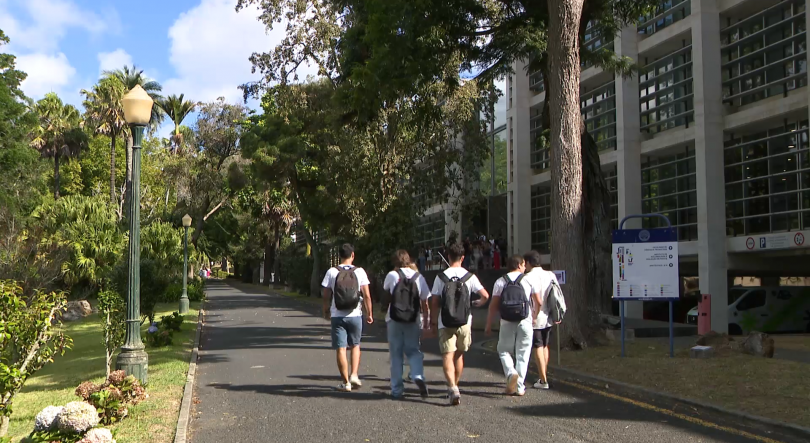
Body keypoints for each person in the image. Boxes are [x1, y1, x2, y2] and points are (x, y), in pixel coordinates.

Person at [429, 243, 490, 405]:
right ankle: (455, 385)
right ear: (463, 258)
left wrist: (433, 321)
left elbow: (435, 301)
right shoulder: (470, 276)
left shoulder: (441, 277)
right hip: (464, 321)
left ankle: (452, 388)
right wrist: (477, 303)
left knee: (447, 356)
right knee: (459, 355)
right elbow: (485, 295)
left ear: (448, 257)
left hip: (445, 321)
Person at [485, 255, 541, 396]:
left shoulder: (500, 281)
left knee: (503, 350)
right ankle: (520, 386)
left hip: (506, 321)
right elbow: (538, 302)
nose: (524, 267)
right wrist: (534, 316)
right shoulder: (528, 280)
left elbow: (493, 305)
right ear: (520, 265)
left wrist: (488, 323)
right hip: (525, 320)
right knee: (523, 354)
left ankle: (510, 372)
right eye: (523, 265)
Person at [321, 243, 374, 392]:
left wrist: (326, 310)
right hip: (355, 314)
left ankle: (346, 383)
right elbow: (367, 295)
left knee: (341, 348)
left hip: (337, 315)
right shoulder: (360, 272)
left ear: (339, 256)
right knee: (355, 345)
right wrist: (369, 313)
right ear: (353, 255)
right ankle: (354, 375)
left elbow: (325, 294)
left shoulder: (332, 271)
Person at [383, 250, 431, 399]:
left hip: (394, 319)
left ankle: (397, 390)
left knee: (396, 354)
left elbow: (386, 295)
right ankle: (417, 375)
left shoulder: (392, 275)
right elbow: (425, 300)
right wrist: (427, 319)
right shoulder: (419, 277)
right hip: (413, 318)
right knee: (414, 351)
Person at [523, 250, 558, 390]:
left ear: (528, 263)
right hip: (548, 315)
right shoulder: (550, 274)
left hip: (535, 316)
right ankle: (543, 375)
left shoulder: (527, 277)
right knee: (545, 345)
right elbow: (557, 295)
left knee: (537, 345)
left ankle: (543, 380)